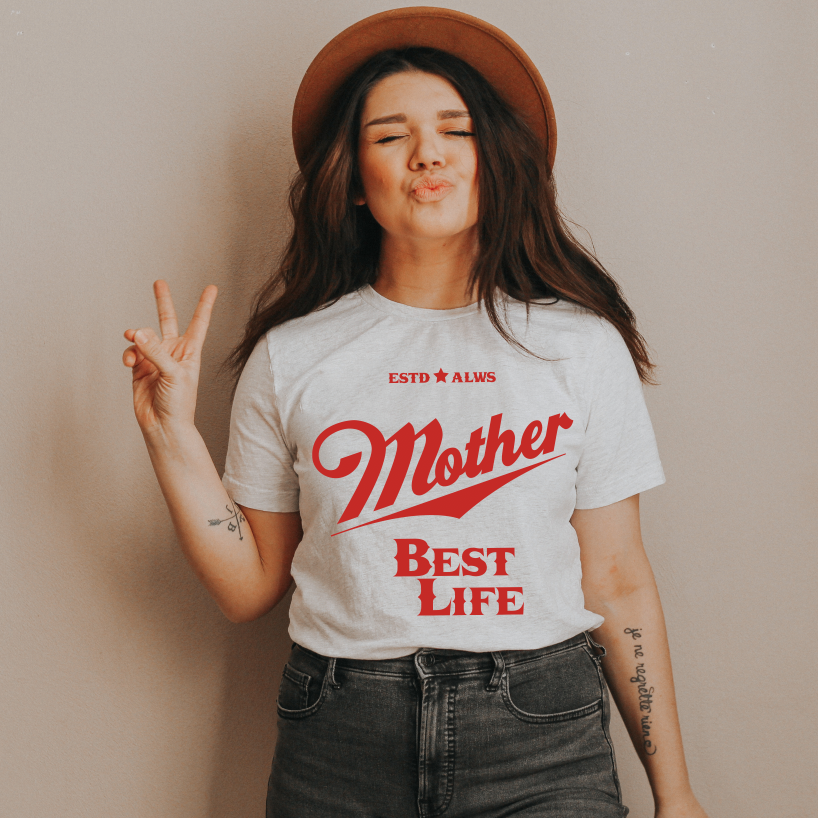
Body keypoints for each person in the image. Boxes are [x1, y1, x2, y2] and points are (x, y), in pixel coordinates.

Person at [122, 8, 709, 818]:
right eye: (391, 135)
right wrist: (169, 435)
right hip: (339, 736)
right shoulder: (294, 357)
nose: (426, 152)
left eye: (454, 129)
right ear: (356, 181)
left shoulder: (580, 349)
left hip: (541, 733)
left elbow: (617, 579)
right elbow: (248, 585)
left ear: (494, 161)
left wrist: (674, 794)